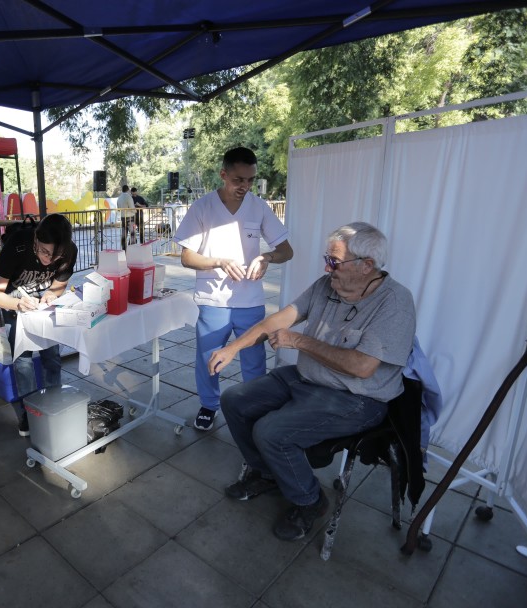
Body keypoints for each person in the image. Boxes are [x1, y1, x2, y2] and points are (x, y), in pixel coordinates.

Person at [211, 222, 416, 541]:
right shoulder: (326, 285)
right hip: (306, 379)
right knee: (235, 399)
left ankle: (309, 500)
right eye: (327, 258)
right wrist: (233, 347)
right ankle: (269, 473)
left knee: (271, 431)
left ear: (366, 266)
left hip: (356, 398)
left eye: (334, 261)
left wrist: (301, 342)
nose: (326, 267)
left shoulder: (395, 303)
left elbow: (362, 367)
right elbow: (278, 320)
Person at [173, 147, 293, 431]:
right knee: (209, 358)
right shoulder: (202, 208)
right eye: (239, 179)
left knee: (254, 360)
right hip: (213, 299)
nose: (245, 186)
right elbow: (187, 257)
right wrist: (218, 262)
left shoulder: (259, 207)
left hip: (250, 300)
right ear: (223, 174)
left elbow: (286, 250)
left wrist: (266, 257)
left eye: (251, 180)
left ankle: (253, 409)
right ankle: (209, 405)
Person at [0, 214, 78, 436]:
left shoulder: (69, 252)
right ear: (36, 239)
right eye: (45, 252)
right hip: (14, 297)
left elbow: (59, 286)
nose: (49, 260)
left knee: (52, 356)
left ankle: (54, 404)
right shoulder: (18, 244)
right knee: (23, 361)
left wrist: (50, 295)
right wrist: (18, 304)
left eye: (56, 255)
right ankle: (30, 413)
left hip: (41, 301)